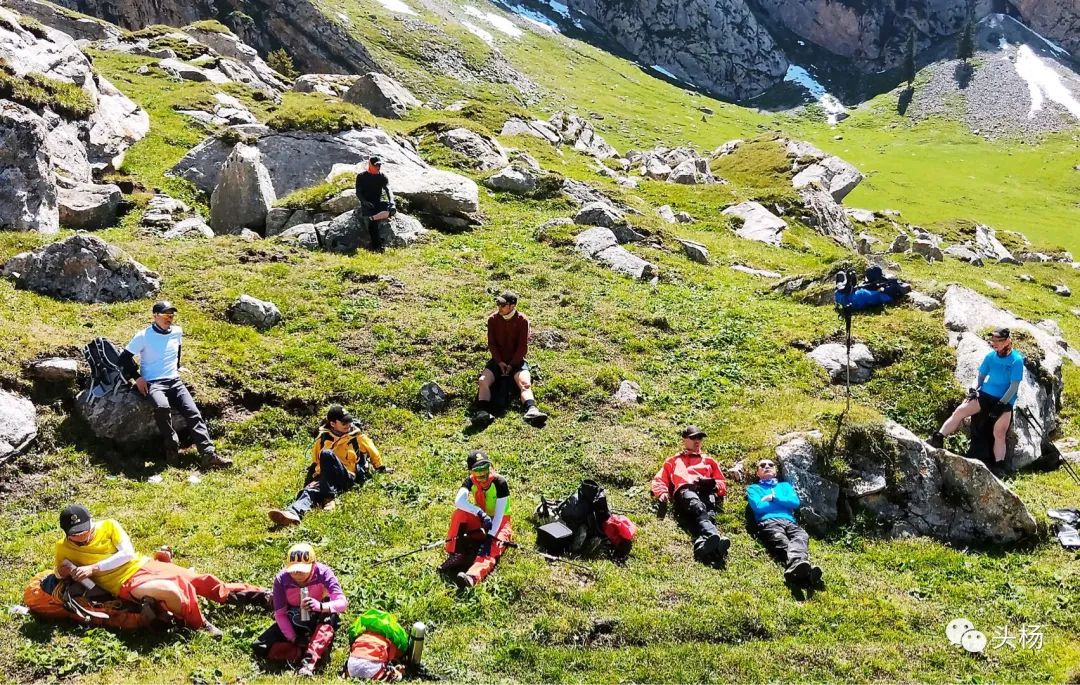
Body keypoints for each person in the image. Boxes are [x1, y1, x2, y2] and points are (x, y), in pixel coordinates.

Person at [53, 504, 267, 637]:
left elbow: (127, 553)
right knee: (172, 590)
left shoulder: (109, 526)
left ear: (92, 521)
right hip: (125, 583)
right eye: (75, 534)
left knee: (200, 581)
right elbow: (57, 574)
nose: (81, 536)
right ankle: (199, 625)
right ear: (66, 533)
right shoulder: (63, 547)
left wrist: (93, 568)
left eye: (84, 530)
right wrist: (65, 572)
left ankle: (261, 597)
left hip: (143, 564)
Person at [118, 300, 231, 469]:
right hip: (154, 383)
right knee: (162, 408)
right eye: (165, 315)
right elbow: (124, 358)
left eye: (171, 315)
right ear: (155, 316)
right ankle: (172, 449)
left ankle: (208, 455)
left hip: (175, 382)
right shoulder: (143, 335)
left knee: (193, 413)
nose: (169, 318)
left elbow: (177, 349)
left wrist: (177, 366)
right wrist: (137, 377)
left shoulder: (177, 332)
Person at [269, 405, 386, 526]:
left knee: (326, 454)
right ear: (333, 423)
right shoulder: (322, 439)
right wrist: (313, 480)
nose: (348, 424)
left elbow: (374, 453)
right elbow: (316, 462)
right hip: (326, 478)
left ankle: (329, 498)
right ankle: (292, 513)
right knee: (310, 490)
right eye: (344, 422)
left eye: (349, 420)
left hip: (346, 476)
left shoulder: (358, 437)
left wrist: (380, 467)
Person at [928, 327, 1024, 465]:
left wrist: (1002, 404)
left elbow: (1014, 386)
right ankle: (938, 437)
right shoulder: (990, 357)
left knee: (999, 432)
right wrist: (974, 388)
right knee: (960, 411)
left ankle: (999, 464)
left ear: (1008, 341)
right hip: (985, 395)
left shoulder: (1016, 360)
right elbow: (980, 377)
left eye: (998, 340)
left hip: (1005, 400)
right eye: (993, 340)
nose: (994, 343)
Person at [253, 543, 348, 677]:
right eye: (293, 569)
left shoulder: (324, 573)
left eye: (302, 569)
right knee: (260, 646)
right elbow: (280, 614)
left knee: (329, 618)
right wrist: (293, 638)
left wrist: (319, 606)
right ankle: (301, 651)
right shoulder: (282, 579)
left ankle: (309, 661)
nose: (297, 574)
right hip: (294, 617)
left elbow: (342, 603)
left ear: (313, 564)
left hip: (320, 616)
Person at [651, 426, 730, 564]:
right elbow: (660, 479)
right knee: (698, 508)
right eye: (693, 437)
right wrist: (662, 492)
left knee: (708, 516)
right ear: (684, 440)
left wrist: (713, 485)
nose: (697, 440)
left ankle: (702, 548)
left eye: (699, 437)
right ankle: (714, 537)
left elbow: (722, 483)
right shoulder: (674, 460)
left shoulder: (709, 461)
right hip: (686, 490)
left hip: (706, 491)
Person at [471, 290, 547, 428]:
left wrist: (511, 365)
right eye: (498, 304)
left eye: (502, 305)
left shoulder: (522, 320)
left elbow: (522, 347)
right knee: (483, 381)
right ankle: (482, 412)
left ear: (512, 306)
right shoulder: (492, 319)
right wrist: (499, 362)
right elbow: (492, 344)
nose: (499, 307)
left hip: (517, 362)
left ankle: (531, 410)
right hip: (497, 361)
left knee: (525, 383)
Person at [438, 450, 512, 589]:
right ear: (471, 472)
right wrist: (479, 513)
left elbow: (499, 515)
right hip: (482, 519)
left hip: (500, 522)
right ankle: (456, 553)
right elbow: (459, 501)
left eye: (485, 469)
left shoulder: (500, 483)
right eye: (478, 472)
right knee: (459, 513)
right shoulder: (469, 482)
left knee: (492, 547)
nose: (483, 476)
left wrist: (490, 536)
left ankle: (472, 577)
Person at [746, 458, 822, 587]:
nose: (767, 467)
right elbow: (758, 507)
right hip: (768, 522)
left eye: (770, 465)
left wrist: (773, 498)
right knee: (782, 542)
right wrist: (782, 503)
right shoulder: (753, 488)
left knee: (801, 536)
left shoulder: (785, 486)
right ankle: (805, 572)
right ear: (757, 473)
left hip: (790, 521)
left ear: (775, 471)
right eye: (762, 465)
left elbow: (794, 503)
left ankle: (798, 570)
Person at [354, 156, 396, 251]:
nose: (378, 167)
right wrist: (364, 202)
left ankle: (373, 218)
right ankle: (377, 247)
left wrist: (391, 202)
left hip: (377, 202)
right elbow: (358, 192)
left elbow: (388, 189)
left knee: (392, 210)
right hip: (367, 204)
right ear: (370, 164)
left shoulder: (382, 176)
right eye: (376, 165)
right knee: (372, 225)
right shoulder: (361, 176)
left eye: (379, 165)